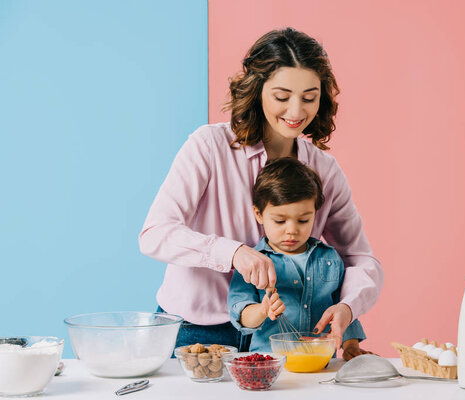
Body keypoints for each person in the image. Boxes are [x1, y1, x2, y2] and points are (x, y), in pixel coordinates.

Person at [138, 27, 383, 357]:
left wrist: (349, 307)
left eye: (309, 98)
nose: (296, 112)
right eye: (282, 97)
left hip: (282, 338)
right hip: (196, 332)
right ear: (256, 90)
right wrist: (232, 252)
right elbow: (155, 234)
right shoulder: (209, 147)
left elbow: (360, 259)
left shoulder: (325, 170)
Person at [228, 157, 370, 359]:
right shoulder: (252, 263)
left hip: (320, 364)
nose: (292, 231)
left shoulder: (330, 259)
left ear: (315, 214)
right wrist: (262, 310)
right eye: (280, 221)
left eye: (303, 220)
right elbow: (240, 314)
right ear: (259, 214)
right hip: (271, 365)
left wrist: (351, 346)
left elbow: (343, 308)